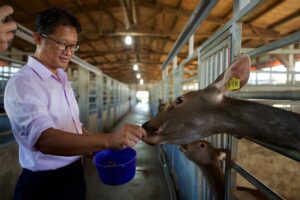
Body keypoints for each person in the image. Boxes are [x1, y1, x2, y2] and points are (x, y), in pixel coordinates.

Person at [4, 7, 146, 200]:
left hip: (74, 175)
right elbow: (45, 140)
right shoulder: (23, 83)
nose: (68, 52)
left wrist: (93, 147)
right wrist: (108, 139)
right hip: (43, 185)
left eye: (73, 46)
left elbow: (74, 126)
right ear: (38, 38)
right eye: (62, 44)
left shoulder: (62, 79)